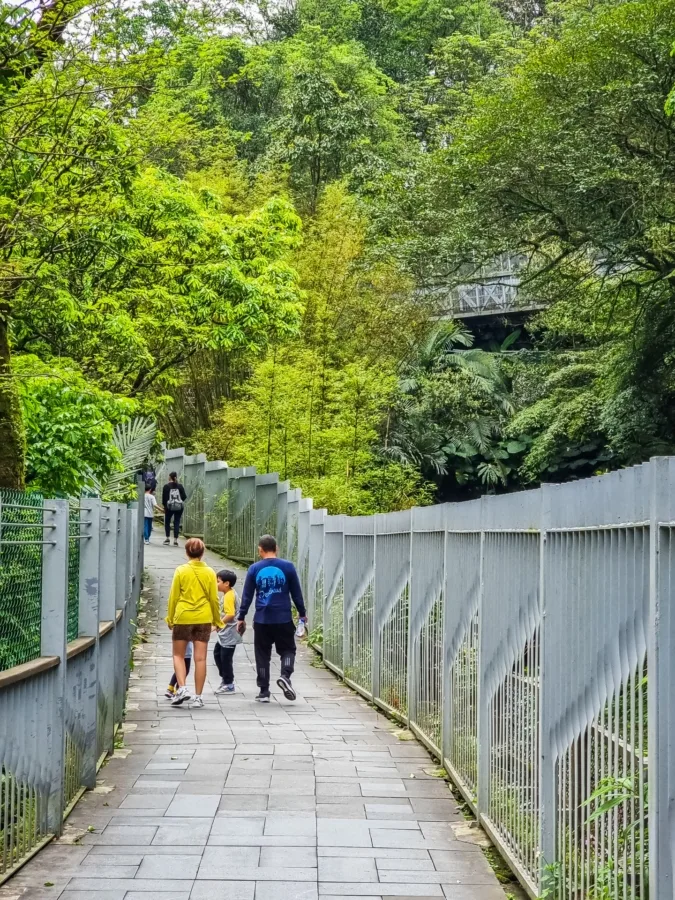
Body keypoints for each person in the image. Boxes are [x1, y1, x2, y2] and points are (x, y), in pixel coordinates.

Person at [236, 534, 307, 703]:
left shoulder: (254, 569)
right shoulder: (288, 567)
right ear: (277, 548)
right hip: (283, 617)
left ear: (260, 550)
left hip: (262, 619)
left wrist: (242, 616)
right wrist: (302, 614)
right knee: (288, 649)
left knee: (262, 654)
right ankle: (285, 676)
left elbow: (247, 596)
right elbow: (296, 593)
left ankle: (264, 691)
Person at [165, 538, 220, 709]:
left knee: (178, 655)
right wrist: (217, 620)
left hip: (183, 617)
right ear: (203, 553)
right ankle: (198, 697)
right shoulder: (210, 572)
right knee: (201, 658)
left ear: (187, 552)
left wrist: (170, 618)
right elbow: (214, 599)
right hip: (203, 618)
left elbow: (173, 597)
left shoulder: (181, 571)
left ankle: (182, 689)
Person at [214, 570, 242, 694]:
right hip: (225, 633)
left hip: (229, 633)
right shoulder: (228, 594)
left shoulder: (229, 596)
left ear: (226, 583)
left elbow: (230, 614)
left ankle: (228, 683)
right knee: (217, 654)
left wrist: (218, 625)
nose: (216, 584)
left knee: (225, 658)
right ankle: (225, 678)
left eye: (218, 581)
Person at [162, 472, 187, 546]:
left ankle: (167, 538)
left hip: (169, 507)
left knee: (167, 522)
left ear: (170, 477)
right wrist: (178, 502)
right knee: (177, 522)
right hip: (179, 507)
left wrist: (165, 507)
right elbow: (184, 496)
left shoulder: (166, 486)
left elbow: (164, 499)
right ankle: (175, 540)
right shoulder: (180, 486)